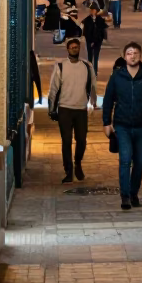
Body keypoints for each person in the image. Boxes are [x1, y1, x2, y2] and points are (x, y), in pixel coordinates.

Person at [102, 41, 142, 210]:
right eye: (129, 53)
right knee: (125, 160)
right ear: (124, 56)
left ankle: (134, 192)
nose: (133, 56)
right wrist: (106, 122)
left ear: (140, 56)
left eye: (135, 53)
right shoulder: (117, 77)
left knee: (139, 162)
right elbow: (108, 100)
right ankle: (125, 196)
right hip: (122, 126)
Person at [47, 37, 97, 184]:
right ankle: (68, 170)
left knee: (81, 140)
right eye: (72, 47)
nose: (75, 49)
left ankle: (78, 163)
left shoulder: (87, 66)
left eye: (77, 47)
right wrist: (51, 109)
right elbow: (53, 89)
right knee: (66, 141)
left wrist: (92, 103)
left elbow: (92, 86)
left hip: (81, 108)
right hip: (64, 109)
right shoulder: (61, 66)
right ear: (68, 49)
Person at [82, 5, 109, 77]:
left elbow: (103, 29)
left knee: (96, 57)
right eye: (91, 10)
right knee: (90, 57)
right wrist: (90, 41)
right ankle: (90, 71)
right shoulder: (87, 20)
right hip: (89, 41)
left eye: (94, 10)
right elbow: (85, 32)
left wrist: (102, 38)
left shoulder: (100, 19)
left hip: (97, 41)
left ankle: (95, 72)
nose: (92, 11)